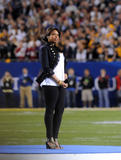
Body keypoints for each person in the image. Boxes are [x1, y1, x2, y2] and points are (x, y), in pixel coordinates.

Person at [36, 26, 68, 149]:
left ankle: (55, 138)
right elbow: (46, 68)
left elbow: (63, 67)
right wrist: (59, 81)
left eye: (57, 35)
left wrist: (65, 78)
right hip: (50, 82)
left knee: (60, 110)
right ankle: (49, 139)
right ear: (48, 36)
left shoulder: (60, 49)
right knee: (50, 110)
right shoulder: (44, 49)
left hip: (60, 83)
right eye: (53, 34)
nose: (56, 36)